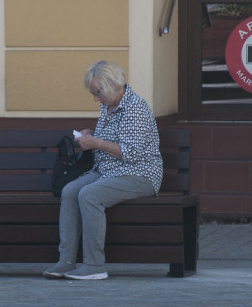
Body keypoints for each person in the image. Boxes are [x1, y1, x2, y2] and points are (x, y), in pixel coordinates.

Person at [43, 61, 164, 280]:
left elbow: (131, 154)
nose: (95, 99)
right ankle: (66, 261)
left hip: (139, 174)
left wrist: (96, 143)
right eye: (93, 93)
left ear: (111, 85)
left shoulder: (135, 108)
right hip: (108, 170)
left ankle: (94, 266)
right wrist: (90, 135)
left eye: (97, 93)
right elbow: (111, 139)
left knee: (90, 195)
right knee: (70, 191)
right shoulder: (108, 104)